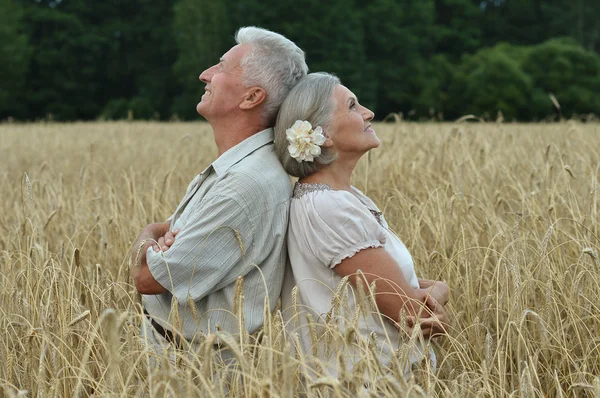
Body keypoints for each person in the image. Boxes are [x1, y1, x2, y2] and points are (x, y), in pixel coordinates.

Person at [129, 27, 308, 357]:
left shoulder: (243, 186)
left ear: (251, 97)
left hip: (193, 371)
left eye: (221, 67)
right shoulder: (240, 170)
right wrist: (157, 239)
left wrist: (148, 235)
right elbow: (165, 239)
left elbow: (148, 277)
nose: (205, 74)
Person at [273, 73, 450, 378]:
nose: (368, 112)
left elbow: (381, 285)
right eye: (353, 106)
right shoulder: (329, 208)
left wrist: (421, 292)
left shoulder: (344, 197)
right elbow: (415, 318)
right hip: (368, 382)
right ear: (322, 134)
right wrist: (441, 290)